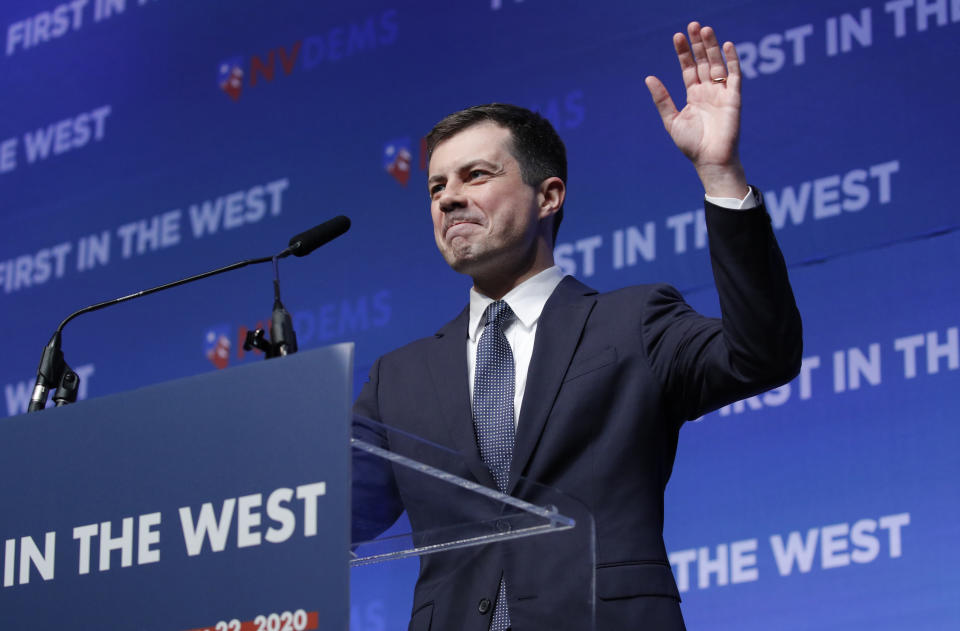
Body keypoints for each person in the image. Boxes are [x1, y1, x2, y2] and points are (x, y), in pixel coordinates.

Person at [352, 22, 802, 631]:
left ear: (549, 196)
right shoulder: (396, 378)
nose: (448, 198)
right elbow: (325, 519)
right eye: (436, 186)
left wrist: (721, 175)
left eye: (475, 176)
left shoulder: (632, 322)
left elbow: (761, 355)